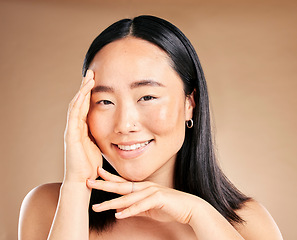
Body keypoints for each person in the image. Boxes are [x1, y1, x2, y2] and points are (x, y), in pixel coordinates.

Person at [18, 15, 283, 240]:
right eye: (105, 101)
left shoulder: (246, 221)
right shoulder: (48, 206)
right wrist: (76, 186)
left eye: (147, 97)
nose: (124, 124)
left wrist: (197, 213)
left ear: (190, 103)